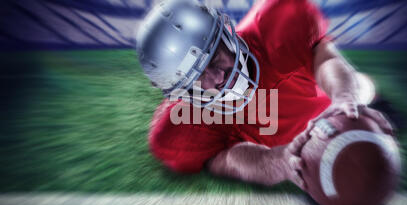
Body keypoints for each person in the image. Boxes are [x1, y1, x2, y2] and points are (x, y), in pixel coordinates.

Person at [136, 0, 393, 190]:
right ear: (180, 93)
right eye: (197, 79)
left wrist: (345, 96)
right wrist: (279, 161)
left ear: (226, 29)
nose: (217, 79)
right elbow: (226, 160)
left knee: (359, 88)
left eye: (213, 58)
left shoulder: (276, 20)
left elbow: (326, 59)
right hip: (277, 140)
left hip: (320, 99)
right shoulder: (182, 126)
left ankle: (371, 96)